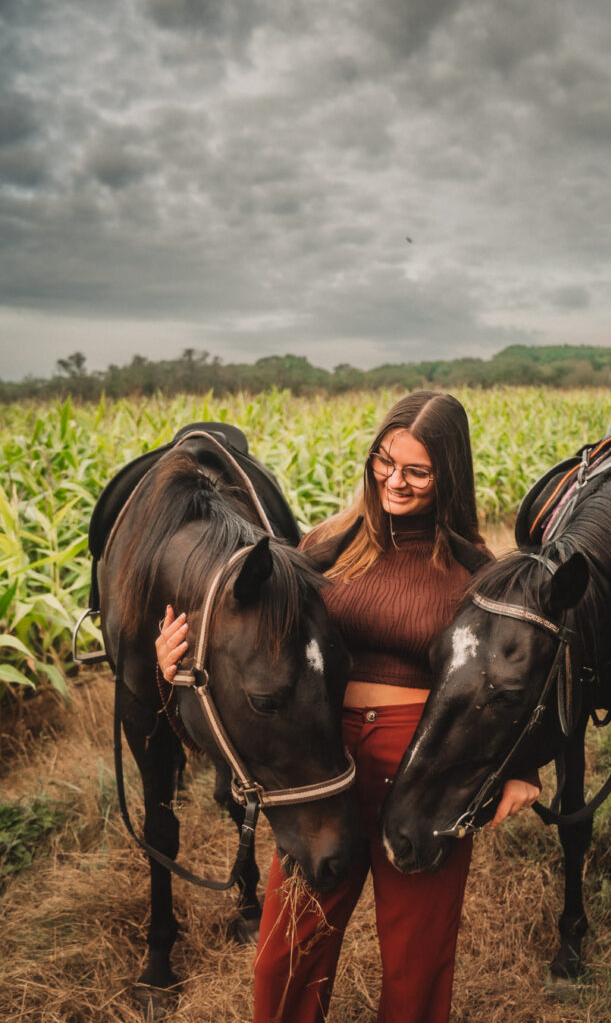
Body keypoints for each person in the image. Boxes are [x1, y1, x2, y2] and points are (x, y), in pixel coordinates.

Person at [156, 391, 540, 1023]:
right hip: (321, 763)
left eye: (417, 471)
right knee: (286, 954)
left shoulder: (476, 572)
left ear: (450, 475)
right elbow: (253, 640)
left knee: (416, 960)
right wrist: (178, 663)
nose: (394, 480)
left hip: (423, 772)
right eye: (385, 461)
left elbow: (515, 677)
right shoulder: (326, 546)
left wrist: (524, 766)